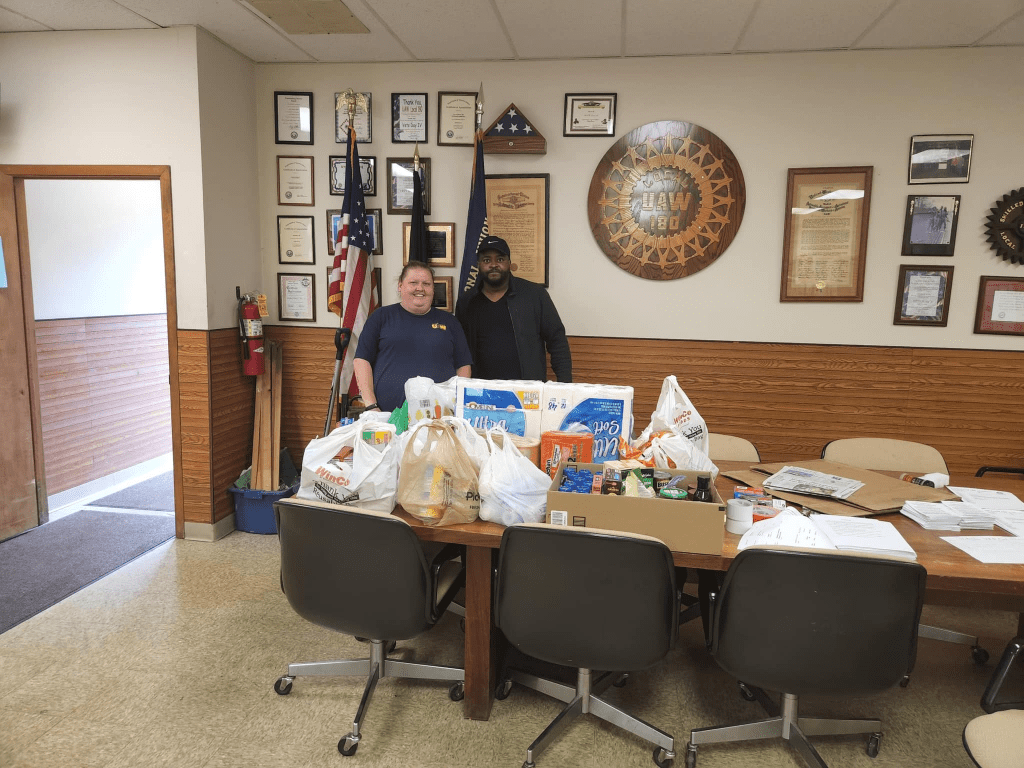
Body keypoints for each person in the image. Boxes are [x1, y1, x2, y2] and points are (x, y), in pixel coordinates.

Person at [353, 262, 472, 412]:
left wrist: (459, 405)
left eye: (426, 284)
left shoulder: (450, 322)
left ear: (433, 288)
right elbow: (361, 361)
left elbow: (463, 366)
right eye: (413, 283)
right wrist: (371, 406)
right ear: (400, 286)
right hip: (386, 416)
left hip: (440, 418)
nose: (420, 288)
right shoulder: (380, 317)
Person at [456, 235, 572, 382]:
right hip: (481, 389)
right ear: (478, 264)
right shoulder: (467, 301)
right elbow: (459, 349)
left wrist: (565, 384)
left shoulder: (535, 295)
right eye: (486, 260)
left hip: (526, 389)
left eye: (500, 259)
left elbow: (557, 341)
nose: (493, 265)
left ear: (509, 263)